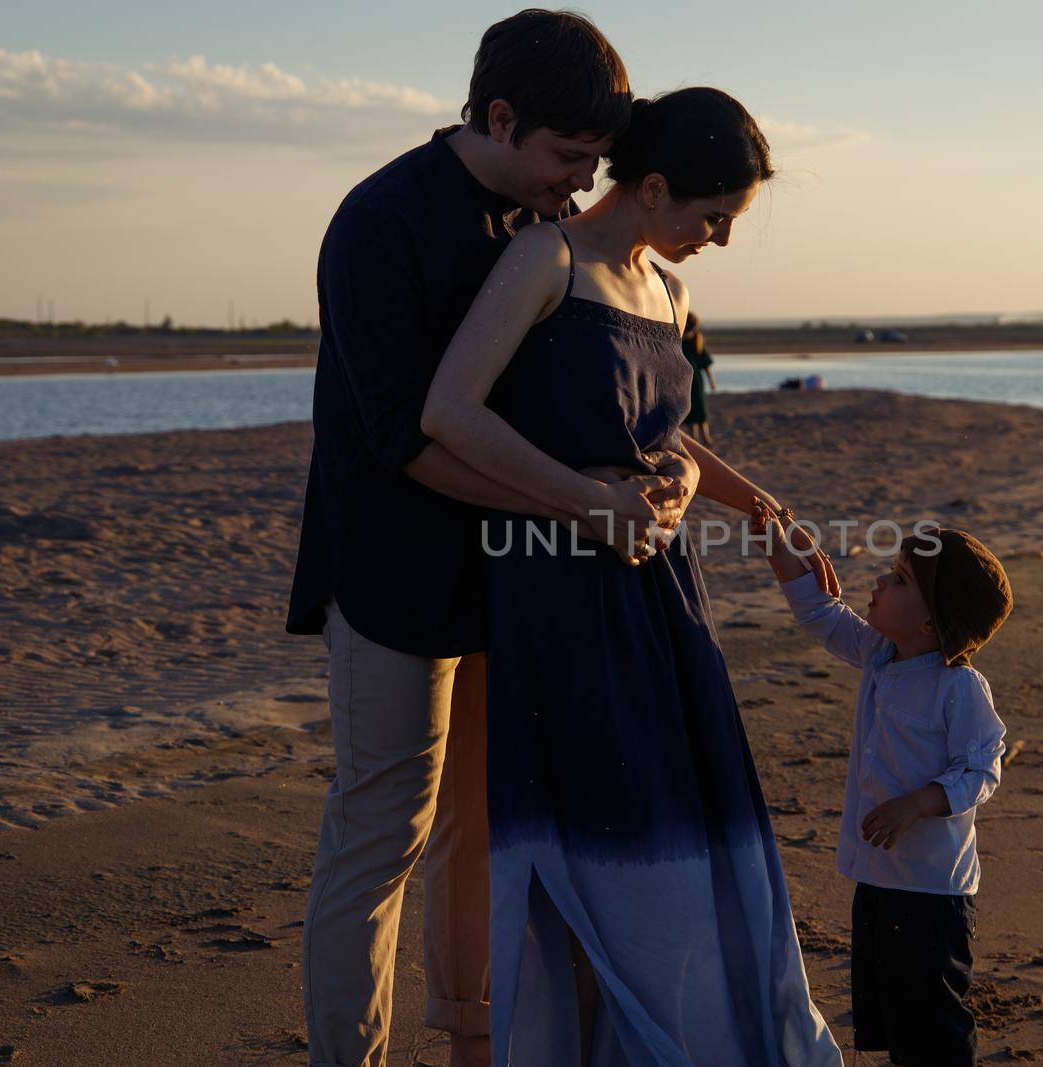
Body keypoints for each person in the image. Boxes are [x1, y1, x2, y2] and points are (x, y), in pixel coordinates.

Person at [285, 12, 695, 1067]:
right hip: (391, 576)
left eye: (592, 163)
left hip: (518, 587)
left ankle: (472, 1040)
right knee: (380, 833)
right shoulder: (383, 219)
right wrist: (580, 502)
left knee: (479, 830)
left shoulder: (539, 228)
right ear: (499, 118)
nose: (576, 183)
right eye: (564, 158)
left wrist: (659, 474)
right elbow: (403, 440)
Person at [421, 87, 843, 1065]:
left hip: (662, 596)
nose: (720, 239)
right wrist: (584, 499)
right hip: (555, 589)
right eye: (712, 216)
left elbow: (674, 435)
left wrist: (759, 507)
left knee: (685, 820)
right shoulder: (545, 259)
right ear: (651, 185)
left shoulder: (669, 288)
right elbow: (449, 410)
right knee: (602, 837)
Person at [757, 512, 1012, 1067]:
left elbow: (983, 768)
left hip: (931, 891)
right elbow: (820, 614)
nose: (879, 582)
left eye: (899, 580)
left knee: (934, 1024)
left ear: (931, 623)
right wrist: (778, 548)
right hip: (877, 879)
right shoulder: (879, 656)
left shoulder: (958, 686)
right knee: (895, 1016)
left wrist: (919, 803)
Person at [682, 310, 716, 445]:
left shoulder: (697, 343)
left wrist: (711, 381)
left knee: (701, 409)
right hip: (685, 383)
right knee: (690, 411)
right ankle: (694, 438)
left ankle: (705, 437)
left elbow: (706, 365)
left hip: (697, 382)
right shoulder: (679, 343)